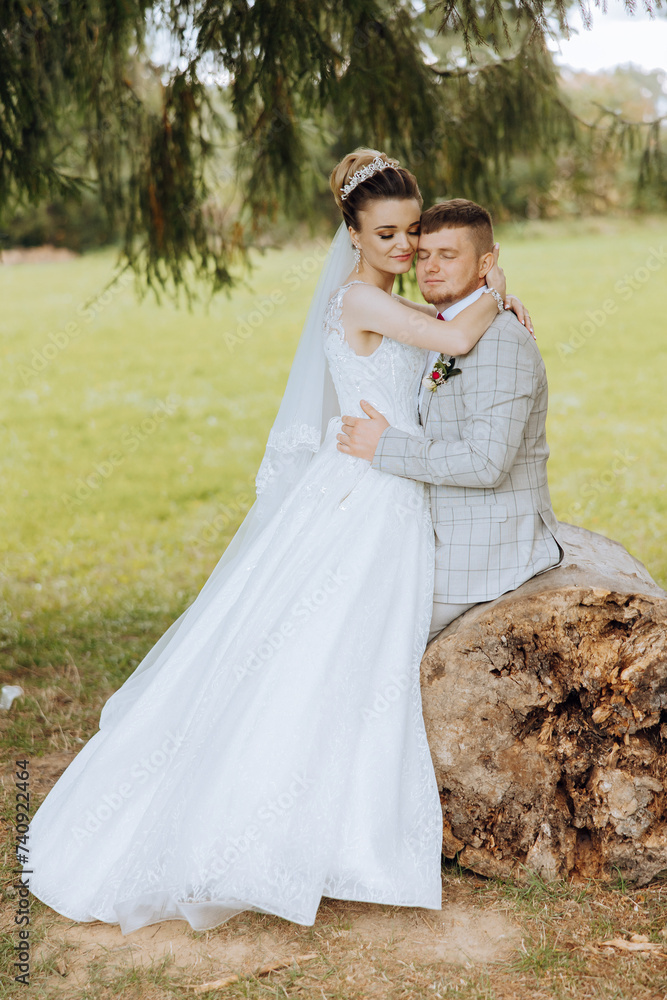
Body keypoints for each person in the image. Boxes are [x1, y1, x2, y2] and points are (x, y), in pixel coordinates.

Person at [23, 149, 527, 936]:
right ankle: (262, 834)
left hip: (389, 488)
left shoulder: (396, 303)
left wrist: (478, 305)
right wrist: (495, 293)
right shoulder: (359, 301)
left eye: (413, 233)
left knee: (361, 662)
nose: (404, 247)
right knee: (322, 653)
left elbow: (439, 341)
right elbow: (456, 342)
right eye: (388, 234)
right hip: (363, 497)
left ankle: (340, 835)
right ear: (354, 237)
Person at [337, 198, 563, 641]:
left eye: (448, 255)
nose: (430, 268)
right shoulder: (447, 325)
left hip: (486, 553)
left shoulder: (499, 342)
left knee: (365, 629)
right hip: (434, 531)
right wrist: (496, 296)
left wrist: (385, 447)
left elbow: (485, 463)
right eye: (423, 256)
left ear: (486, 262)